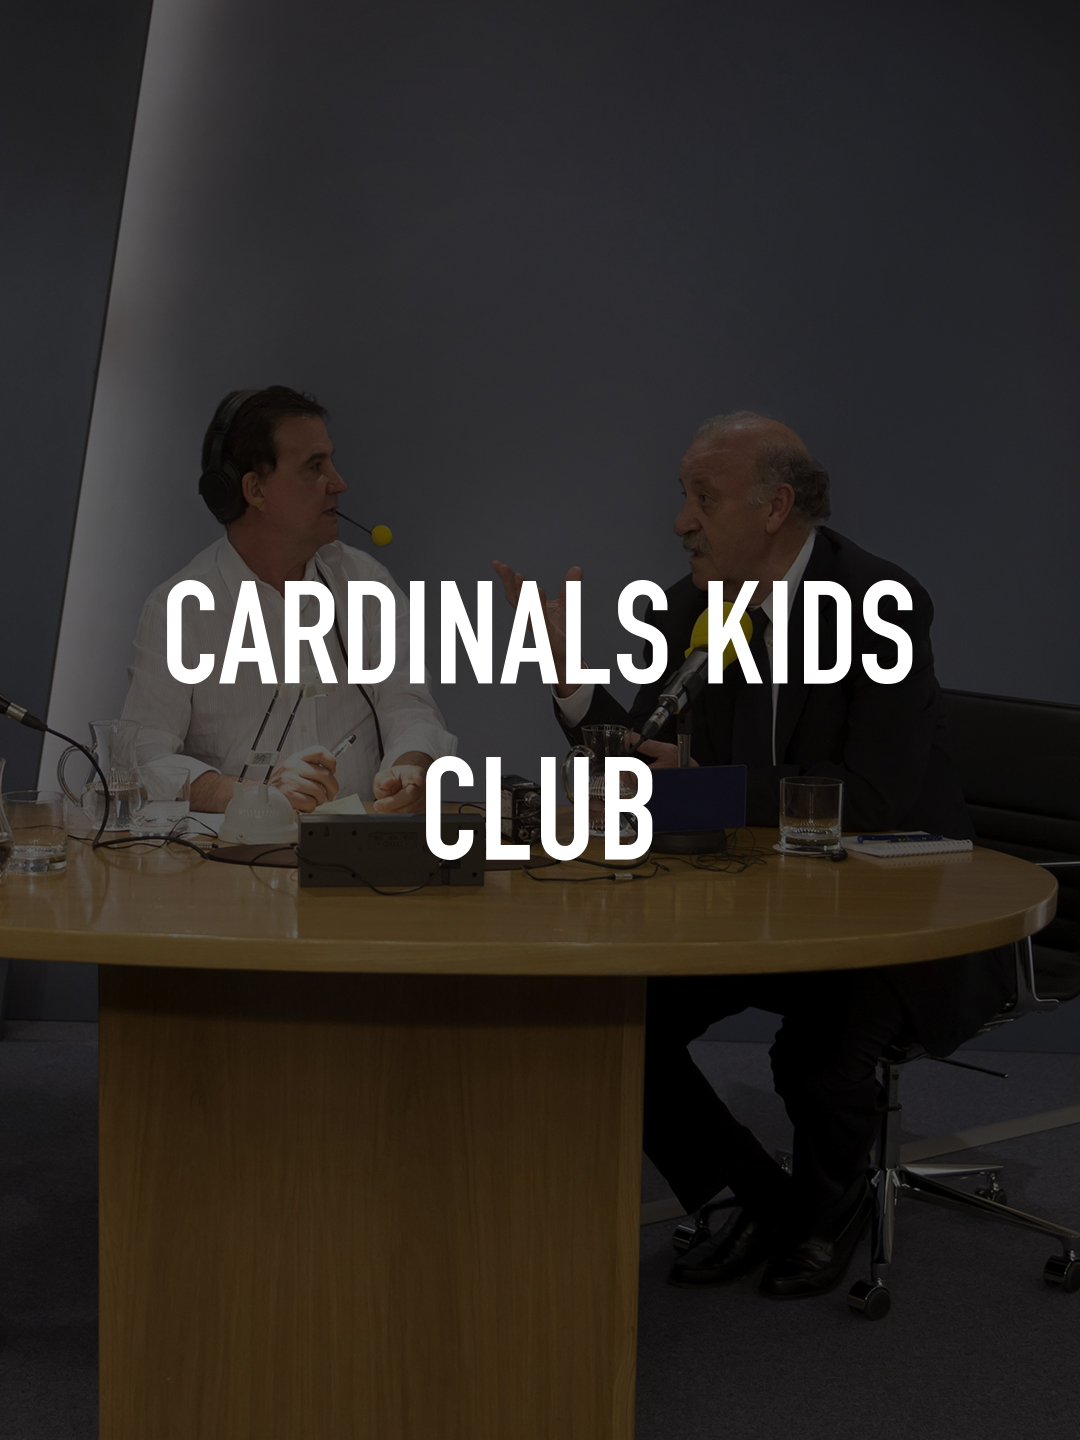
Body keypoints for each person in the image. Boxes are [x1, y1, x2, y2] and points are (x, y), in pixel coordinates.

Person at [493, 410, 1014, 1300]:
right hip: (758, 905)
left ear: (775, 508)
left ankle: (827, 1212)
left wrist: (710, 784)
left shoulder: (880, 604)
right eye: (682, 497)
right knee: (617, 1019)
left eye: (703, 499)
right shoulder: (692, 606)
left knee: (815, 1053)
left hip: (892, 913)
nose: (680, 522)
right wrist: (570, 679)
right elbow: (649, 762)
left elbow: (868, 798)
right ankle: (749, 1194)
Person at [122, 386, 454, 814]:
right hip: (237, 850)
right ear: (255, 490)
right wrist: (254, 793)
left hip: (361, 840)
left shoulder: (366, 580)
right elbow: (143, 760)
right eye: (315, 466)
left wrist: (411, 766)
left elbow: (409, 707)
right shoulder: (178, 609)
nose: (339, 483)